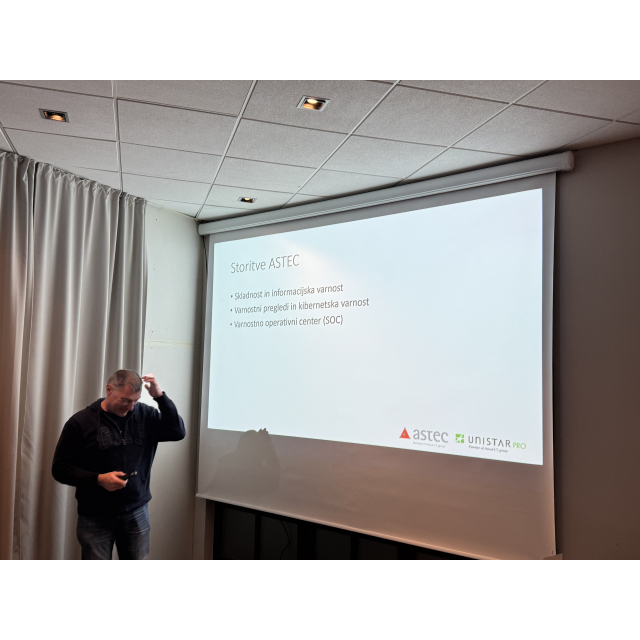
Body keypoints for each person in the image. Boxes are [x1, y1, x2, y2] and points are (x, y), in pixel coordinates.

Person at [52, 370, 185, 560]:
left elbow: (177, 432)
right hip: (95, 517)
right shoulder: (81, 422)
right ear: (109, 389)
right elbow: (60, 469)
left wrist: (159, 397)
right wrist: (98, 479)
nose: (130, 407)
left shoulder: (145, 415)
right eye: (125, 400)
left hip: (136, 512)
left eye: (135, 401)